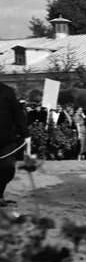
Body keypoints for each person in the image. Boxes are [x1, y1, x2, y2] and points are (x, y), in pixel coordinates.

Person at [0, 81, 30, 209]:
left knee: (7, 168)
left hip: (5, 140)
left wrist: (24, 132)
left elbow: (18, 114)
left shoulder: (7, 92)